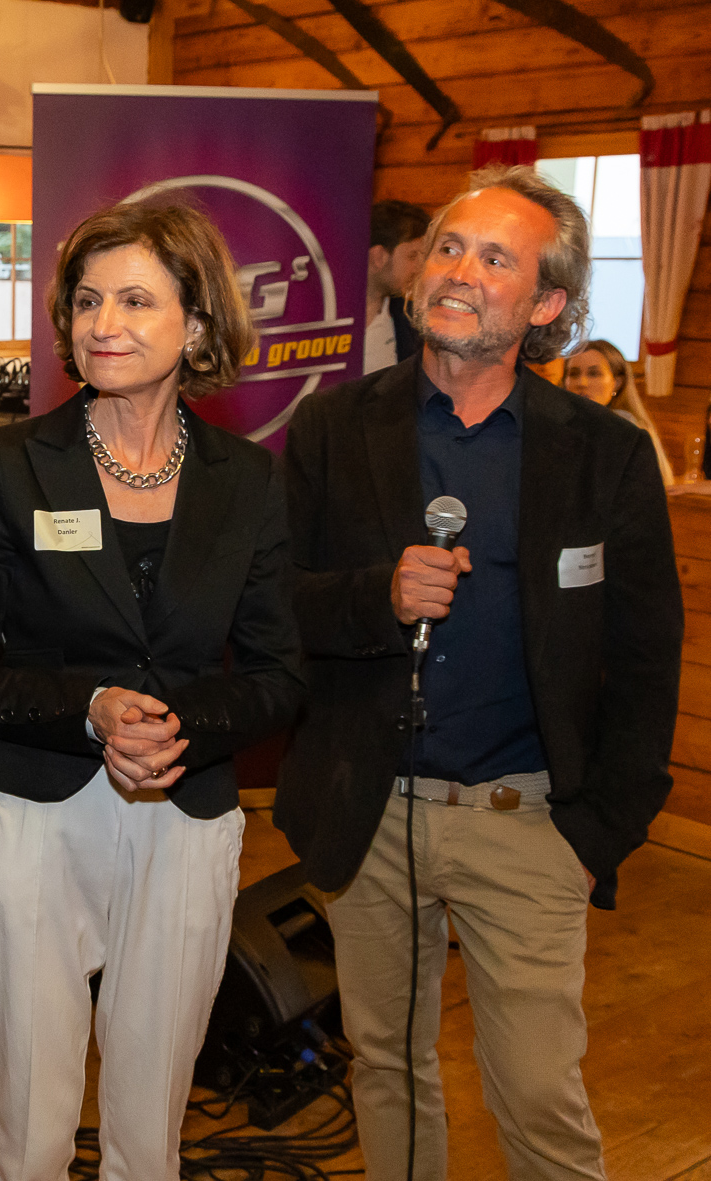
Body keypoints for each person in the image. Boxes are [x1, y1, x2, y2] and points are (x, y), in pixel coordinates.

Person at [277, 164, 683, 1180]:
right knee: (385, 1068)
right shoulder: (332, 427)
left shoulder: (603, 454)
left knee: (539, 1093)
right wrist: (376, 596)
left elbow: (645, 657)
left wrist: (598, 832)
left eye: (495, 258)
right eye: (449, 248)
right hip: (371, 815)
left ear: (545, 305)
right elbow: (272, 607)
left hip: (529, 821)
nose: (458, 271)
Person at [0, 199, 305, 1181]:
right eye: (87, 300)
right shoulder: (8, 467)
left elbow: (278, 675)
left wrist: (182, 724)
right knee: (31, 1124)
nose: (103, 323)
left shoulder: (247, 480)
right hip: (33, 810)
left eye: (136, 301)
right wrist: (89, 709)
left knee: (150, 1124)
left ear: (197, 322)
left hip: (184, 811)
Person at [565, 338, 676, 484]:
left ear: (617, 383)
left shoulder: (624, 428)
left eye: (594, 374)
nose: (582, 383)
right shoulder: (562, 424)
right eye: (573, 374)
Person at [363, 199, 430, 373]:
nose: (420, 268)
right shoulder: (327, 319)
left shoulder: (413, 322)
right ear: (378, 256)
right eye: (412, 256)